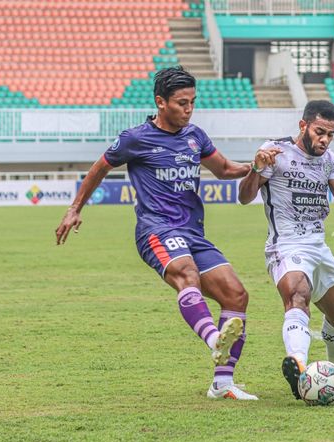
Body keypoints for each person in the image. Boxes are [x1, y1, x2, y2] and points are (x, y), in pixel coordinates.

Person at [55, 66, 258, 401]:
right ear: (161, 102)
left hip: (193, 232)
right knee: (187, 274)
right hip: (156, 229)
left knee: (237, 295)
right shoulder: (135, 139)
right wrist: (75, 208)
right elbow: (99, 168)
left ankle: (222, 385)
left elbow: (223, 170)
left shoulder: (196, 136)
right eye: (181, 103)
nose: (188, 109)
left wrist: (258, 165)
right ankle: (213, 340)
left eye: (192, 102)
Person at [237, 100, 334, 400]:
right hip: (286, 244)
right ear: (303, 126)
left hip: (318, 246)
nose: (325, 139)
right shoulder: (275, 152)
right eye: (320, 132)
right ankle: (300, 365)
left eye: (330, 134)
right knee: (297, 295)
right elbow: (244, 196)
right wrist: (256, 168)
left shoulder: (328, 159)